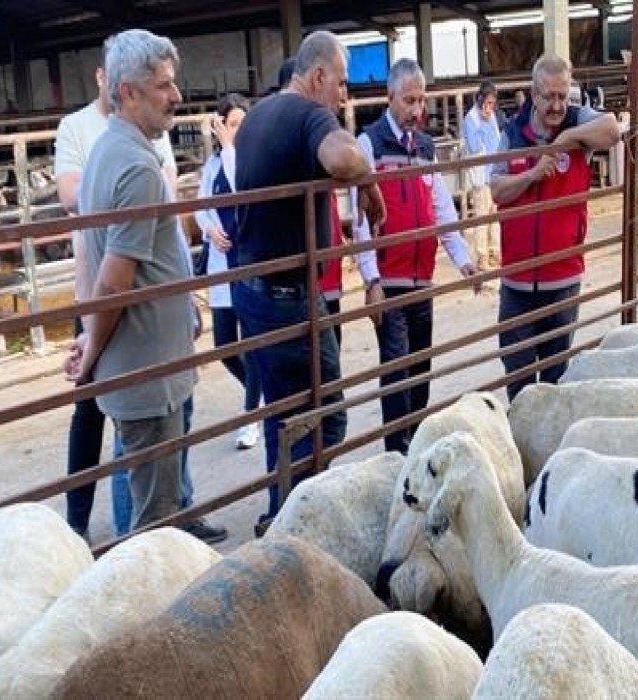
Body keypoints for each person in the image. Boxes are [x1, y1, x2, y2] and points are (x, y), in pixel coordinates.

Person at [56, 36, 224, 544]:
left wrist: (90, 336)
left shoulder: (108, 152)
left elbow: (99, 261)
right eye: (163, 86)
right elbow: (114, 279)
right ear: (128, 92)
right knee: (155, 528)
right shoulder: (135, 166)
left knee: (153, 508)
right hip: (149, 377)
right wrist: (91, 351)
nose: (176, 96)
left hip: (145, 365)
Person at [230, 31, 386, 536]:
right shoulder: (309, 114)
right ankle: (296, 528)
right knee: (326, 416)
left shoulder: (258, 116)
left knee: (284, 413)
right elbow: (342, 158)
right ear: (318, 76)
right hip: (286, 294)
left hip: (252, 288)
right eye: (341, 82)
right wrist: (368, 181)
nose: (344, 95)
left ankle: (277, 512)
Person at [353, 58, 480, 455]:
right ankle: (396, 450)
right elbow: (360, 221)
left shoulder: (425, 147)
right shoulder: (369, 145)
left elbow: (441, 206)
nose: (417, 109)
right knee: (397, 368)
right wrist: (371, 280)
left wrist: (462, 258)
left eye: (421, 100)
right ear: (389, 97)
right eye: (409, 100)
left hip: (421, 278)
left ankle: (414, 444)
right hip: (389, 279)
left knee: (421, 366)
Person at [490, 55, 620, 400]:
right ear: (534, 94)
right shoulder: (512, 132)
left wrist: (568, 137)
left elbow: (612, 130)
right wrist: (531, 175)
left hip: (562, 278)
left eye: (563, 96)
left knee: (556, 377)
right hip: (517, 279)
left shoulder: (578, 121)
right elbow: (497, 189)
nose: (557, 105)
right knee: (518, 376)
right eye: (549, 97)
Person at [194, 93, 262, 450]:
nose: (236, 131)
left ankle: (251, 417)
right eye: (231, 124)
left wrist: (230, 147)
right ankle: (258, 392)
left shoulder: (247, 160)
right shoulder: (212, 164)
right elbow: (201, 206)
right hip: (222, 264)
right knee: (224, 346)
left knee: (251, 344)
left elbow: (240, 189)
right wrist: (209, 229)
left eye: (241, 124)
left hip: (246, 262)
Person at [463, 80, 502, 270]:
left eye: (492, 104)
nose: (490, 107)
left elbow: (497, 139)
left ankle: (495, 253)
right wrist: (483, 124)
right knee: (482, 217)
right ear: (480, 100)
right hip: (481, 175)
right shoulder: (471, 119)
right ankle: (481, 257)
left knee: (494, 217)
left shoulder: (491, 116)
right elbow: (474, 146)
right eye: (488, 103)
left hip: (494, 172)